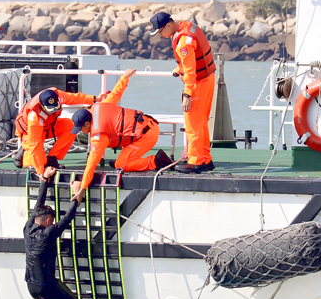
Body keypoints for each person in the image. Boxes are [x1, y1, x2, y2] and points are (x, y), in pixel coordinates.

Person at [70, 69, 173, 202]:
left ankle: (155, 161)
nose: (80, 131)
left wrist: (82, 188)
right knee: (121, 161)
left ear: (87, 124)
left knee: (122, 164)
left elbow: (91, 163)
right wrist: (125, 76)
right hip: (148, 125)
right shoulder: (100, 106)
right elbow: (116, 93)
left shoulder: (99, 137)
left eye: (80, 128)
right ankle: (132, 160)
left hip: (147, 136)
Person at [24, 166, 91, 299]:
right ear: (48, 222)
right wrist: (78, 194)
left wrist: (45, 180)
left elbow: (38, 206)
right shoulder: (48, 233)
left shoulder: (28, 228)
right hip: (46, 285)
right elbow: (67, 219)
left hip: (31, 286)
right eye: (51, 221)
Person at [150, 12, 215, 173]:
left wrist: (187, 95)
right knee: (201, 122)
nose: (160, 35)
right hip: (208, 78)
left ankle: (195, 161)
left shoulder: (183, 42)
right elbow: (192, 59)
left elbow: (191, 71)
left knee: (193, 124)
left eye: (160, 31)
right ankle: (205, 159)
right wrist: (179, 69)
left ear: (168, 25)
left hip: (197, 83)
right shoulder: (185, 27)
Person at [14, 87, 105, 180]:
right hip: (29, 132)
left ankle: (52, 158)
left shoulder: (58, 96)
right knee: (36, 161)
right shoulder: (34, 117)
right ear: (42, 107)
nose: (53, 111)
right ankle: (24, 150)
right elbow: (35, 145)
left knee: (71, 127)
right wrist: (41, 172)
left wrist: (94, 98)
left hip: (49, 126)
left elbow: (73, 98)